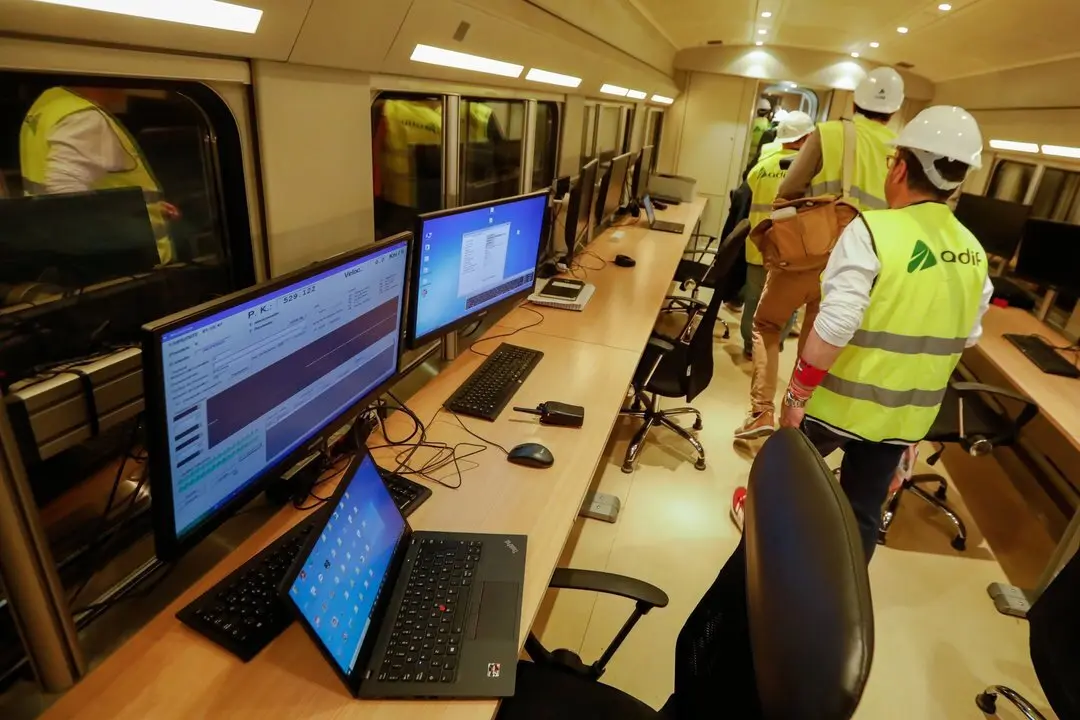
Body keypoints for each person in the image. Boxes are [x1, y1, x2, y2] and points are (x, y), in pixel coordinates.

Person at [732, 106, 993, 563]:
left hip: (838, 404)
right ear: (958, 180)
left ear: (899, 167)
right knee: (861, 515)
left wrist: (794, 399)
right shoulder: (974, 252)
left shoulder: (872, 231)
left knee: (786, 487)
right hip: (903, 420)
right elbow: (966, 335)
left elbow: (833, 328)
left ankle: (763, 566)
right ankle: (838, 591)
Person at [734, 68, 906, 440]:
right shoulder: (900, 152)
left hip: (807, 257)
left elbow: (790, 188)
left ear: (855, 101)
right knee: (818, 342)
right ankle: (795, 419)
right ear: (893, 112)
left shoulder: (829, 133)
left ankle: (761, 411)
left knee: (767, 325)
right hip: (860, 269)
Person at [19, 86, 178, 264]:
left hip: (58, 248)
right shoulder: (83, 117)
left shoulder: (50, 101)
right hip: (126, 263)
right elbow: (67, 200)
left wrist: (144, 206)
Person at [739, 111, 816, 358]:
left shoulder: (762, 166)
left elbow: (746, 193)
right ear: (806, 138)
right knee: (787, 303)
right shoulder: (808, 171)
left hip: (757, 245)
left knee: (753, 299)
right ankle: (773, 347)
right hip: (790, 250)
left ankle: (750, 346)